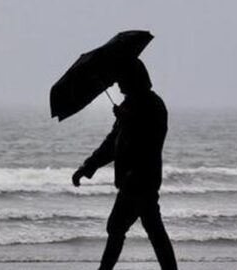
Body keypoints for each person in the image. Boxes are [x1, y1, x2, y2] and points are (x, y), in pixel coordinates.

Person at [72, 58, 178, 270]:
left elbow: (149, 141)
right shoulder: (128, 106)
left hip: (140, 180)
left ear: (134, 78)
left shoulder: (153, 105)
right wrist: (89, 166)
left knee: (118, 228)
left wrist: (128, 121)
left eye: (122, 79)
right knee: (151, 230)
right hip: (132, 180)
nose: (118, 84)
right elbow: (112, 143)